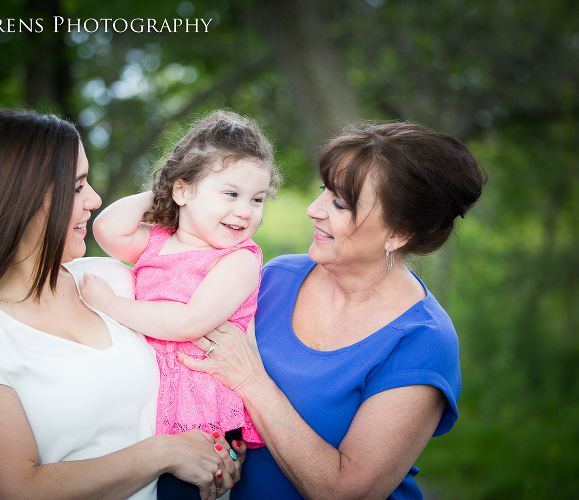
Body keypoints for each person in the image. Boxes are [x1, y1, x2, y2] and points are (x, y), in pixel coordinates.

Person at [0, 109, 242, 500]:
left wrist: (219, 444)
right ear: (16, 201)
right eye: (77, 187)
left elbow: (198, 365)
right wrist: (164, 453)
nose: (94, 199)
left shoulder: (112, 279)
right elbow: (17, 490)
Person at [179, 121, 485, 499]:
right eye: (324, 189)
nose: (314, 210)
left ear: (398, 233)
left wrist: (251, 382)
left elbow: (346, 492)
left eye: (340, 203)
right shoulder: (276, 277)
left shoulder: (422, 341)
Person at [79, 110, 281, 499]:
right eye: (231, 193)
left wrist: (109, 305)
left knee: (188, 488)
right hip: (153, 395)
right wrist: (162, 194)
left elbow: (189, 320)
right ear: (183, 190)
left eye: (257, 199)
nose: (245, 210)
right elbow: (106, 229)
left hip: (207, 409)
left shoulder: (239, 259)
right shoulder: (157, 241)